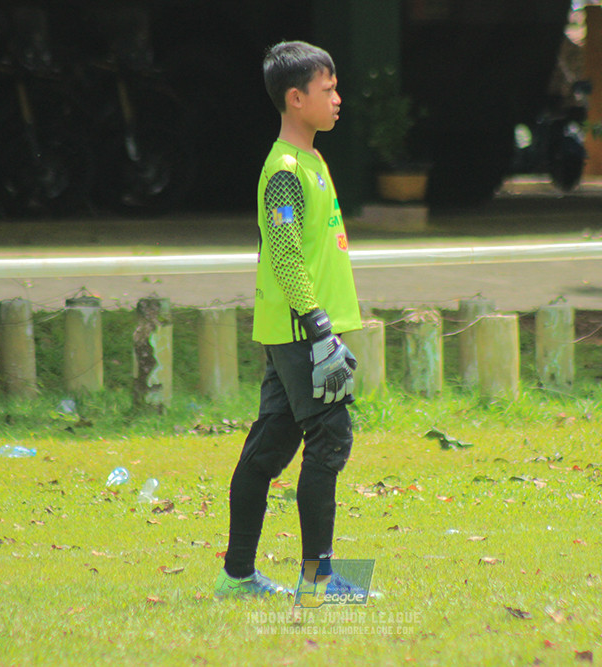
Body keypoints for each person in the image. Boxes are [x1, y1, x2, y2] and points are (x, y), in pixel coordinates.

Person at [214, 40, 362, 598]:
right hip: (304, 333)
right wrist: (321, 326)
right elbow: (283, 253)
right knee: (330, 440)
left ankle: (237, 577)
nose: (338, 99)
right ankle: (319, 581)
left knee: (269, 449)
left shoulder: (313, 160)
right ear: (296, 98)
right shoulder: (283, 170)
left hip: (296, 332)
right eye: (328, 90)